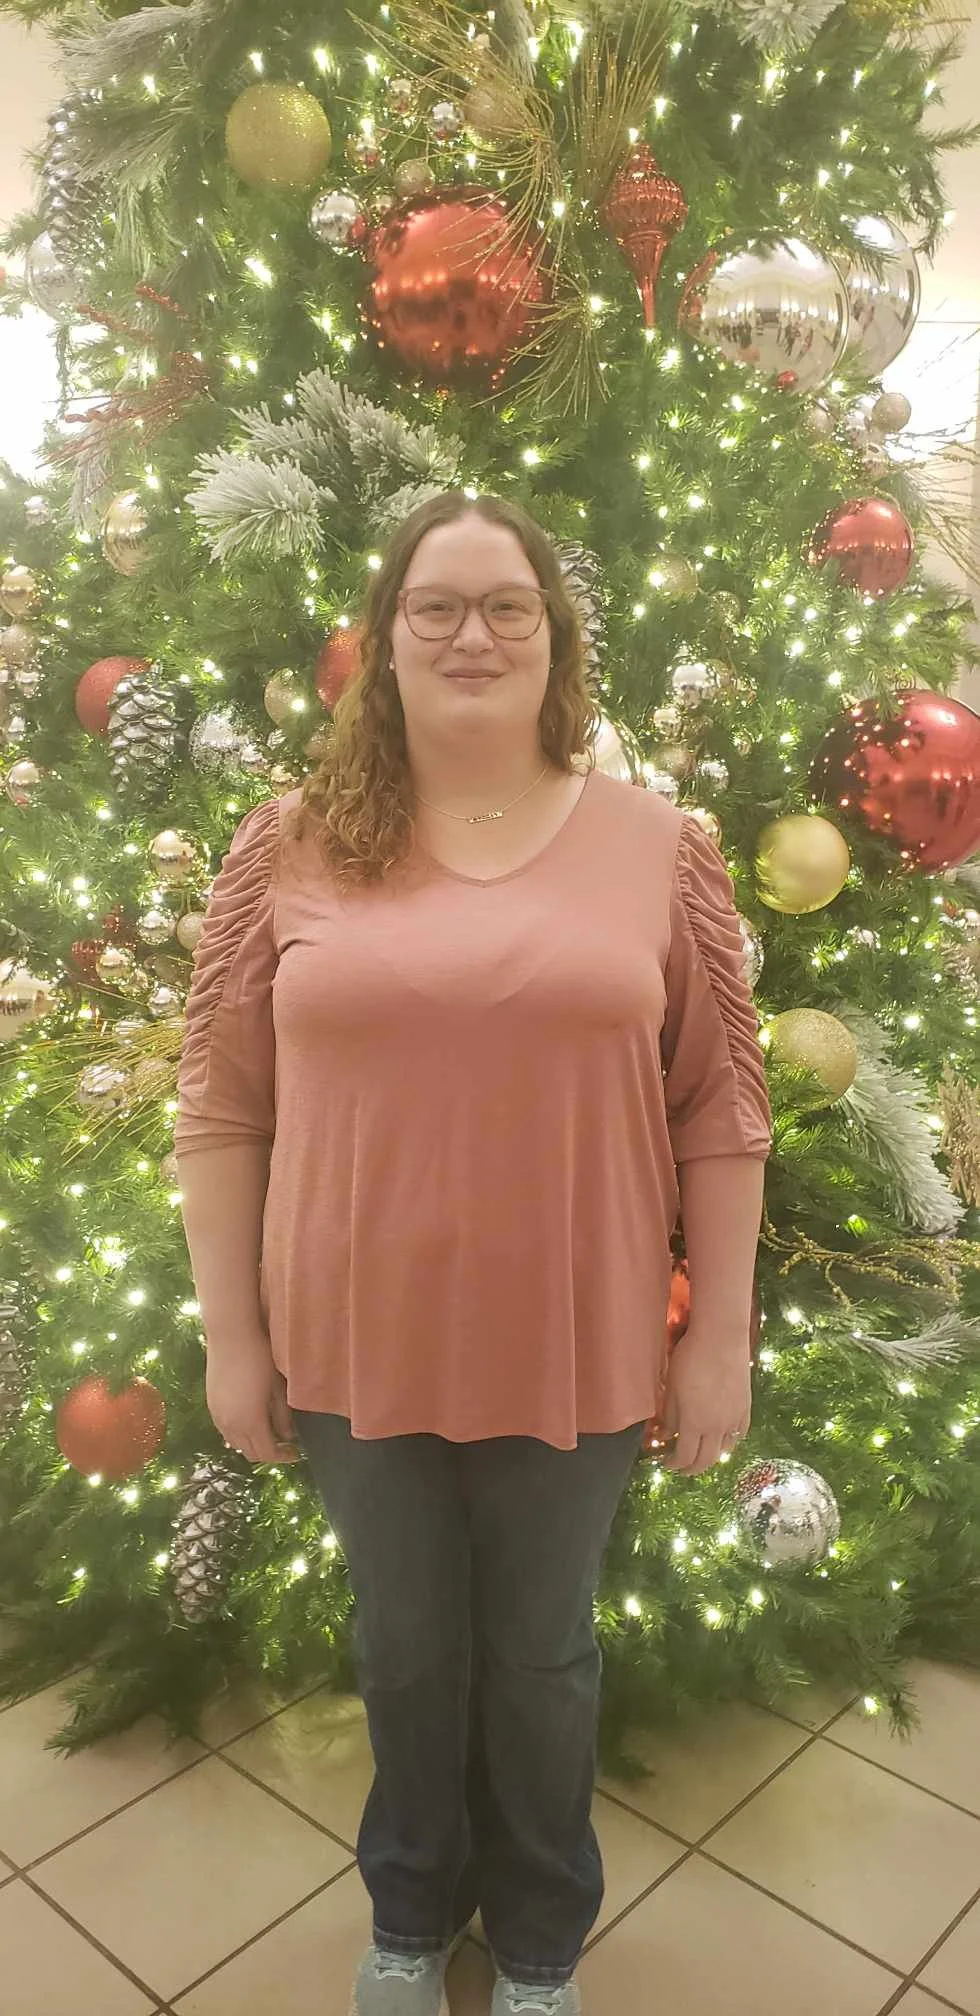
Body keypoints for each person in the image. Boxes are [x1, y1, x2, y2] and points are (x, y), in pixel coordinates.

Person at [175, 491, 772, 2016]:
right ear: (381, 642)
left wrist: (715, 1342)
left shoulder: (656, 847)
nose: (472, 632)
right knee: (406, 1651)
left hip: (576, 1339)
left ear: (556, 638)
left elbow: (722, 1112)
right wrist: (232, 1339)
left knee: (543, 1659)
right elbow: (222, 1109)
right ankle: (409, 1908)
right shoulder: (287, 847)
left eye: (507, 604)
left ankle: (542, 1943)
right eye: (434, 605)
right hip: (352, 1340)